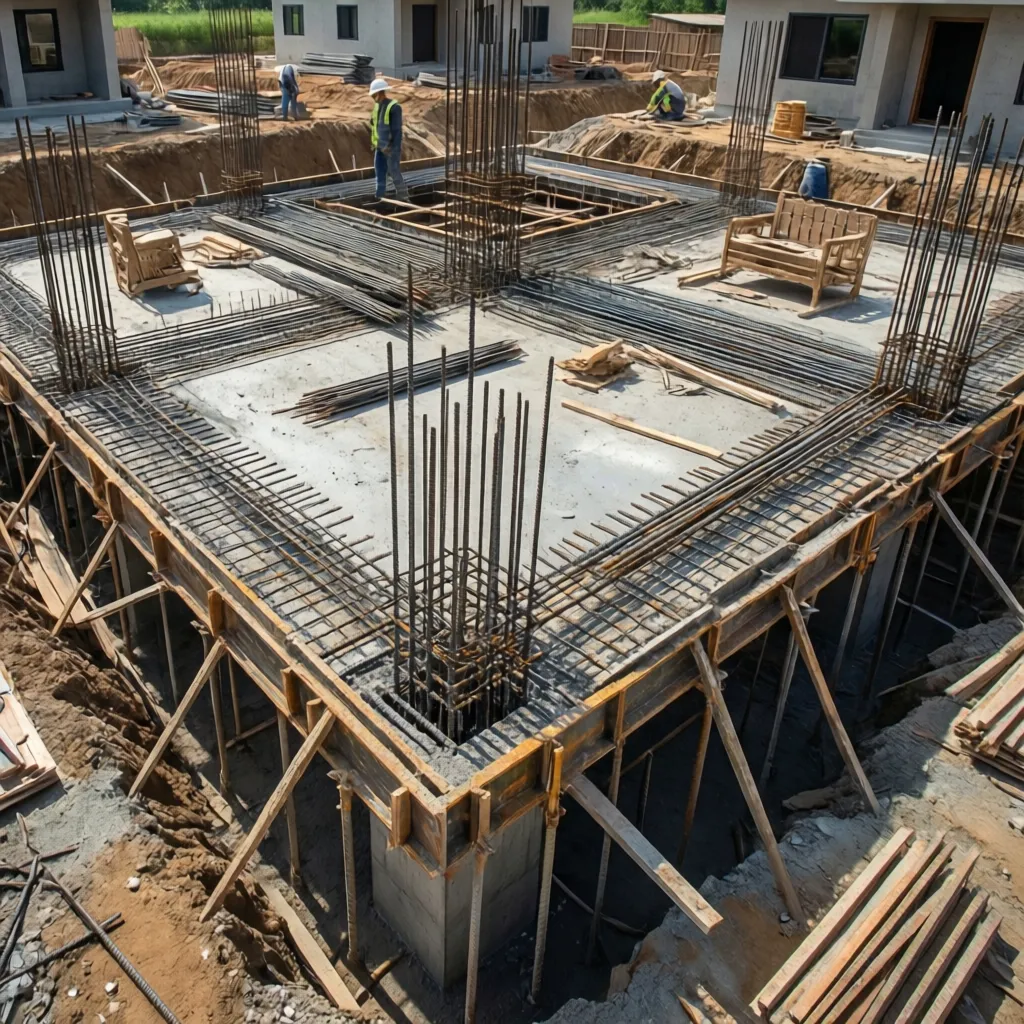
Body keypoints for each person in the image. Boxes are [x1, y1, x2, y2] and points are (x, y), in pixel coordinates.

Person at [369, 78, 408, 202]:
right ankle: (380, 197)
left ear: (380, 93)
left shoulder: (394, 107)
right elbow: (374, 125)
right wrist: (376, 143)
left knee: (393, 172)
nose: (372, 97)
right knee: (379, 173)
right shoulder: (376, 107)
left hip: (391, 149)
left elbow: (397, 131)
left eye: (374, 94)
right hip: (379, 148)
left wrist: (391, 147)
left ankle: (403, 196)